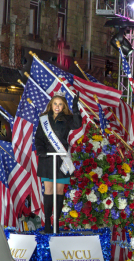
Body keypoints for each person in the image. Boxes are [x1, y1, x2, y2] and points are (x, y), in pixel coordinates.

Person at [35, 92, 81, 233]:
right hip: (47, 158)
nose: (57, 106)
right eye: (55, 103)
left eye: (60, 104)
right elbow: (39, 138)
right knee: (48, 190)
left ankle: (57, 222)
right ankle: (48, 221)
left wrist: (75, 108)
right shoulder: (44, 119)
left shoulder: (67, 119)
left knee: (59, 190)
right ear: (51, 105)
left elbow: (77, 124)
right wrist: (41, 150)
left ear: (63, 106)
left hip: (61, 158)